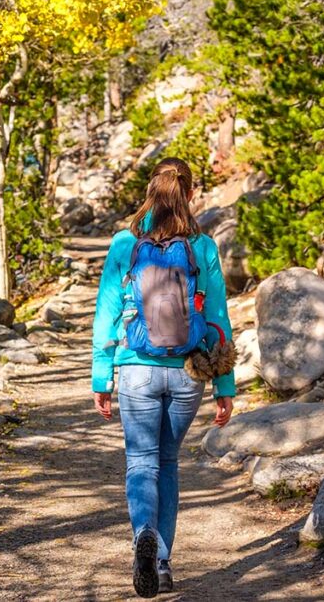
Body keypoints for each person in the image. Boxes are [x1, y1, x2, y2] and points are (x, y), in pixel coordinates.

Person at [91, 157, 235, 598]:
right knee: (168, 464)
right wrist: (224, 387)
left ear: (150, 192)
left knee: (141, 462)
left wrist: (102, 376)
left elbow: (106, 312)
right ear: (189, 194)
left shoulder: (124, 243)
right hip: (189, 372)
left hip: (136, 368)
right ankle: (164, 561)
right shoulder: (203, 246)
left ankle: (143, 538)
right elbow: (218, 317)